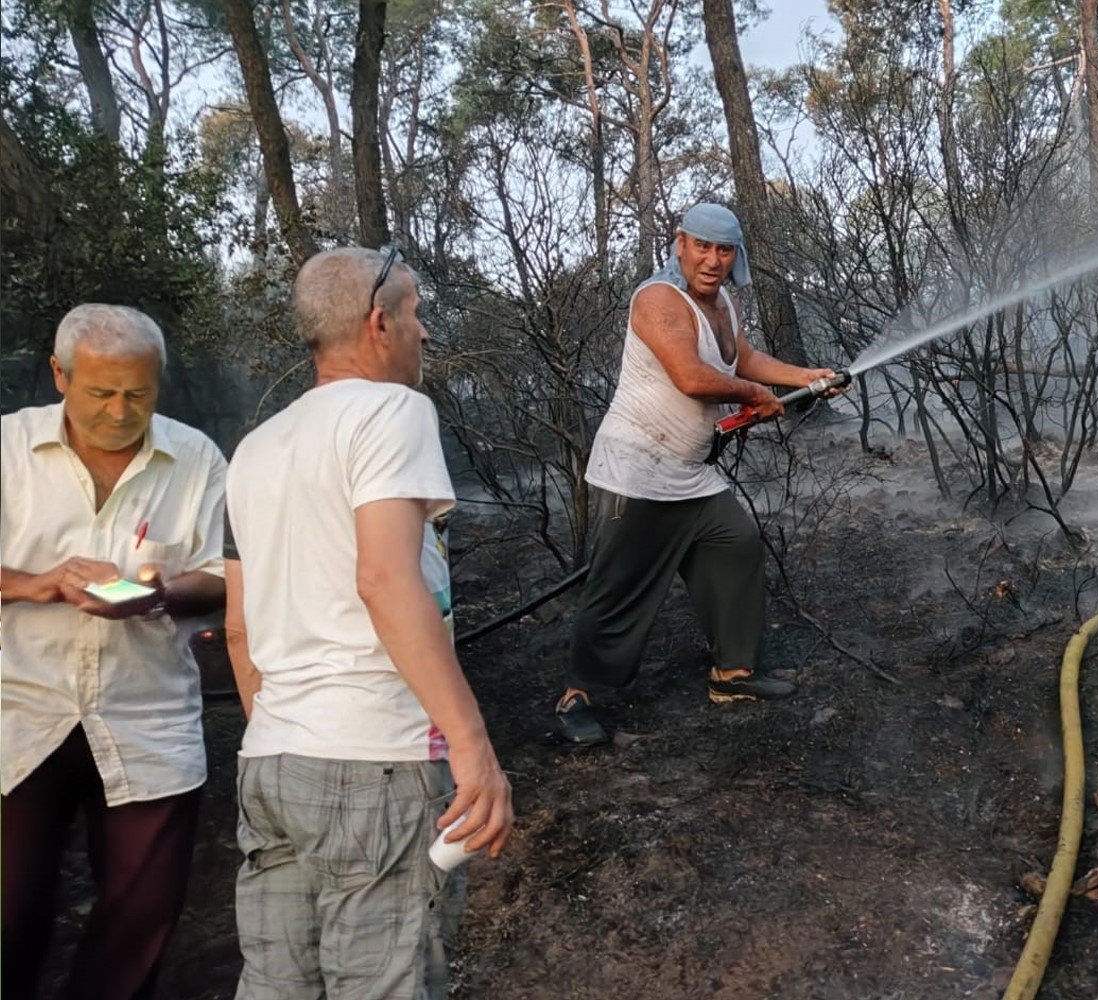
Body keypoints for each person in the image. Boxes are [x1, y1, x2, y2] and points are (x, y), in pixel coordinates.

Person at [224, 246, 513, 999]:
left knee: (276, 987)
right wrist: (471, 743)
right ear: (379, 324)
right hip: (375, 761)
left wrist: (293, 738)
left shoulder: (254, 449)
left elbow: (237, 628)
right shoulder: (394, 411)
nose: (424, 334)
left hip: (271, 763)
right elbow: (386, 578)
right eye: (417, 315)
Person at [0, 304, 228, 999]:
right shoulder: (7, 450)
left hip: (146, 717)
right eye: (101, 392)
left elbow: (221, 577)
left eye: (139, 392)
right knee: (8, 914)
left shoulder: (194, 459)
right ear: (59, 375)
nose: (121, 411)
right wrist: (37, 584)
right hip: (18, 711)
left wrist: (152, 592)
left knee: (140, 920)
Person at [554, 202, 843, 746]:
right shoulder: (659, 300)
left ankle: (732, 675)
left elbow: (742, 358)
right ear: (680, 243)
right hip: (636, 472)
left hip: (688, 472)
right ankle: (577, 695)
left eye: (724, 250)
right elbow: (690, 376)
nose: (713, 261)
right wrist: (757, 396)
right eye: (703, 247)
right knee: (618, 588)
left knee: (734, 542)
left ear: (736, 255)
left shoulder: (723, 302)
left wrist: (807, 376)